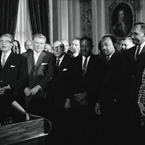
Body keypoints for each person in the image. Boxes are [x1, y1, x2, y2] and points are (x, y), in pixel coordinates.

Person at [68, 36, 106, 145]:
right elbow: (69, 82)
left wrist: (86, 94)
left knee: (91, 134)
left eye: (87, 46)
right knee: (77, 133)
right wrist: (77, 97)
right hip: (76, 103)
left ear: (92, 47)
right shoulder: (73, 62)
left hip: (91, 103)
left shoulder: (99, 62)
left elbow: (99, 83)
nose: (84, 49)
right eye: (82, 46)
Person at [95, 34, 130, 145]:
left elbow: (122, 82)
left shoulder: (120, 59)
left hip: (115, 105)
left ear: (114, 45)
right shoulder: (104, 60)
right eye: (102, 46)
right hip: (106, 103)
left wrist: (115, 99)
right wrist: (99, 101)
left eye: (107, 45)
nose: (104, 48)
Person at [24, 33, 55, 118]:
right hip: (26, 93)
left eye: (41, 43)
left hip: (42, 94)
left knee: (40, 120)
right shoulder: (24, 55)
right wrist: (25, 87)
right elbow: (21, 74)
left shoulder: (49, 56)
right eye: (36, 42)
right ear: (33, 42)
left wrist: (38, 87)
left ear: (44, 44)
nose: (39, 45)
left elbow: (49, 75)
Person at [0, 33, 29, 123]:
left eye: (6, 41)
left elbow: (22, 79)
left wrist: (9, 87)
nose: (3, 43)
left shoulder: (20, 59)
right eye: (1, 41)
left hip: (14, 98)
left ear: (11, 44)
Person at [48, 40, 73, 145]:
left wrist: (68, 99)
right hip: (52, 100)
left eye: (59, 47)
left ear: (64, 48)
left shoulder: (71, 61)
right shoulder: (51, 60)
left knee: (65, 128)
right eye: (54, 48)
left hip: (64, 100)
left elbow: (72, 83)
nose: (56, 49)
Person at [127, 22, 145, 145]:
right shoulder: (129, 52)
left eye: (136, 34)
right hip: (130, 101)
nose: (133, 36)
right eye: (132, 33)